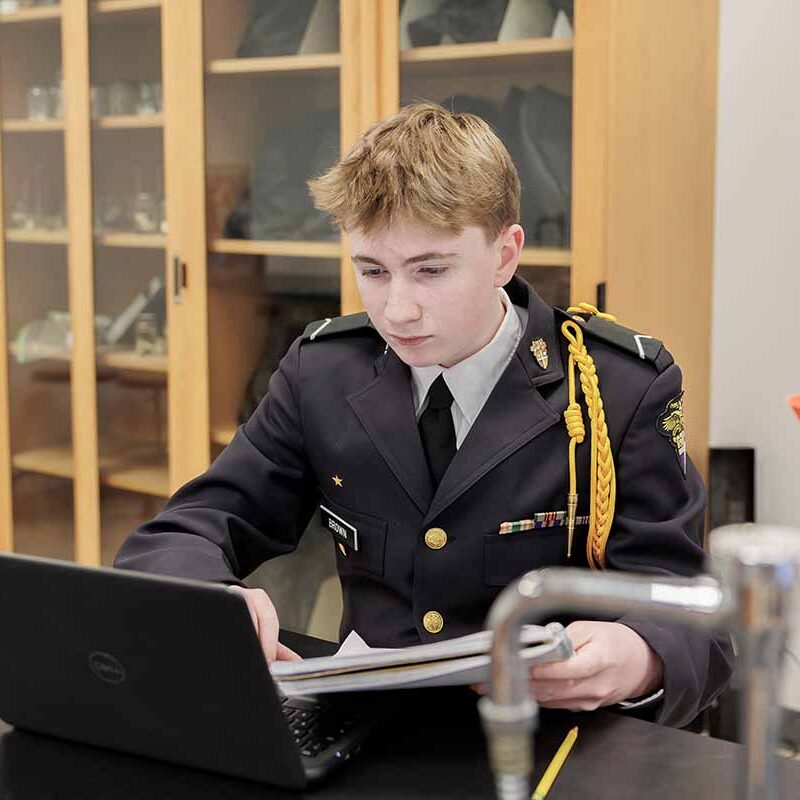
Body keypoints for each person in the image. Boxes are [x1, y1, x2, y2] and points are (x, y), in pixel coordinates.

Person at [115, 102, 733, 728]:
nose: (398, 310)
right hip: (371, 731)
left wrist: (640, 656)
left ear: (505, 254)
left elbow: (696, 619)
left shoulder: (617, 389)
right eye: (372, 271)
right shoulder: (323, 374)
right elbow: (188, 529)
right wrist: (215, 604)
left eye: (431, 270)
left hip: (554, 737)